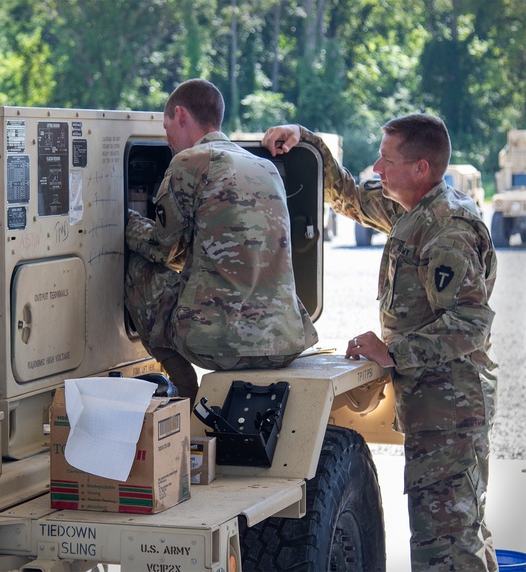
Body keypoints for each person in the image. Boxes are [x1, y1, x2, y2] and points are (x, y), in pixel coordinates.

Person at [263, 115, 498, 571]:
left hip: (450, 414)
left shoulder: (447, 229)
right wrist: (305, 140)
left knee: (446, 550)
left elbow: (471, 322)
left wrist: (395, 353)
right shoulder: (413, 210)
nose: (378, 167)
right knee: (461, 537)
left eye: (387, 160)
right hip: (435, 409)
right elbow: (349, 196)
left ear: (421, 168)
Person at [125, 78, 318, 403]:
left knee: (138, 268)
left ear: (181, 115)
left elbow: (162, 248)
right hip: (283, 341)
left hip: (220, 343)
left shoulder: (189, 162)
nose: (167, 138)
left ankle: (184, 394)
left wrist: (125, 222)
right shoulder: (265, 167)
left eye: (166, 125)